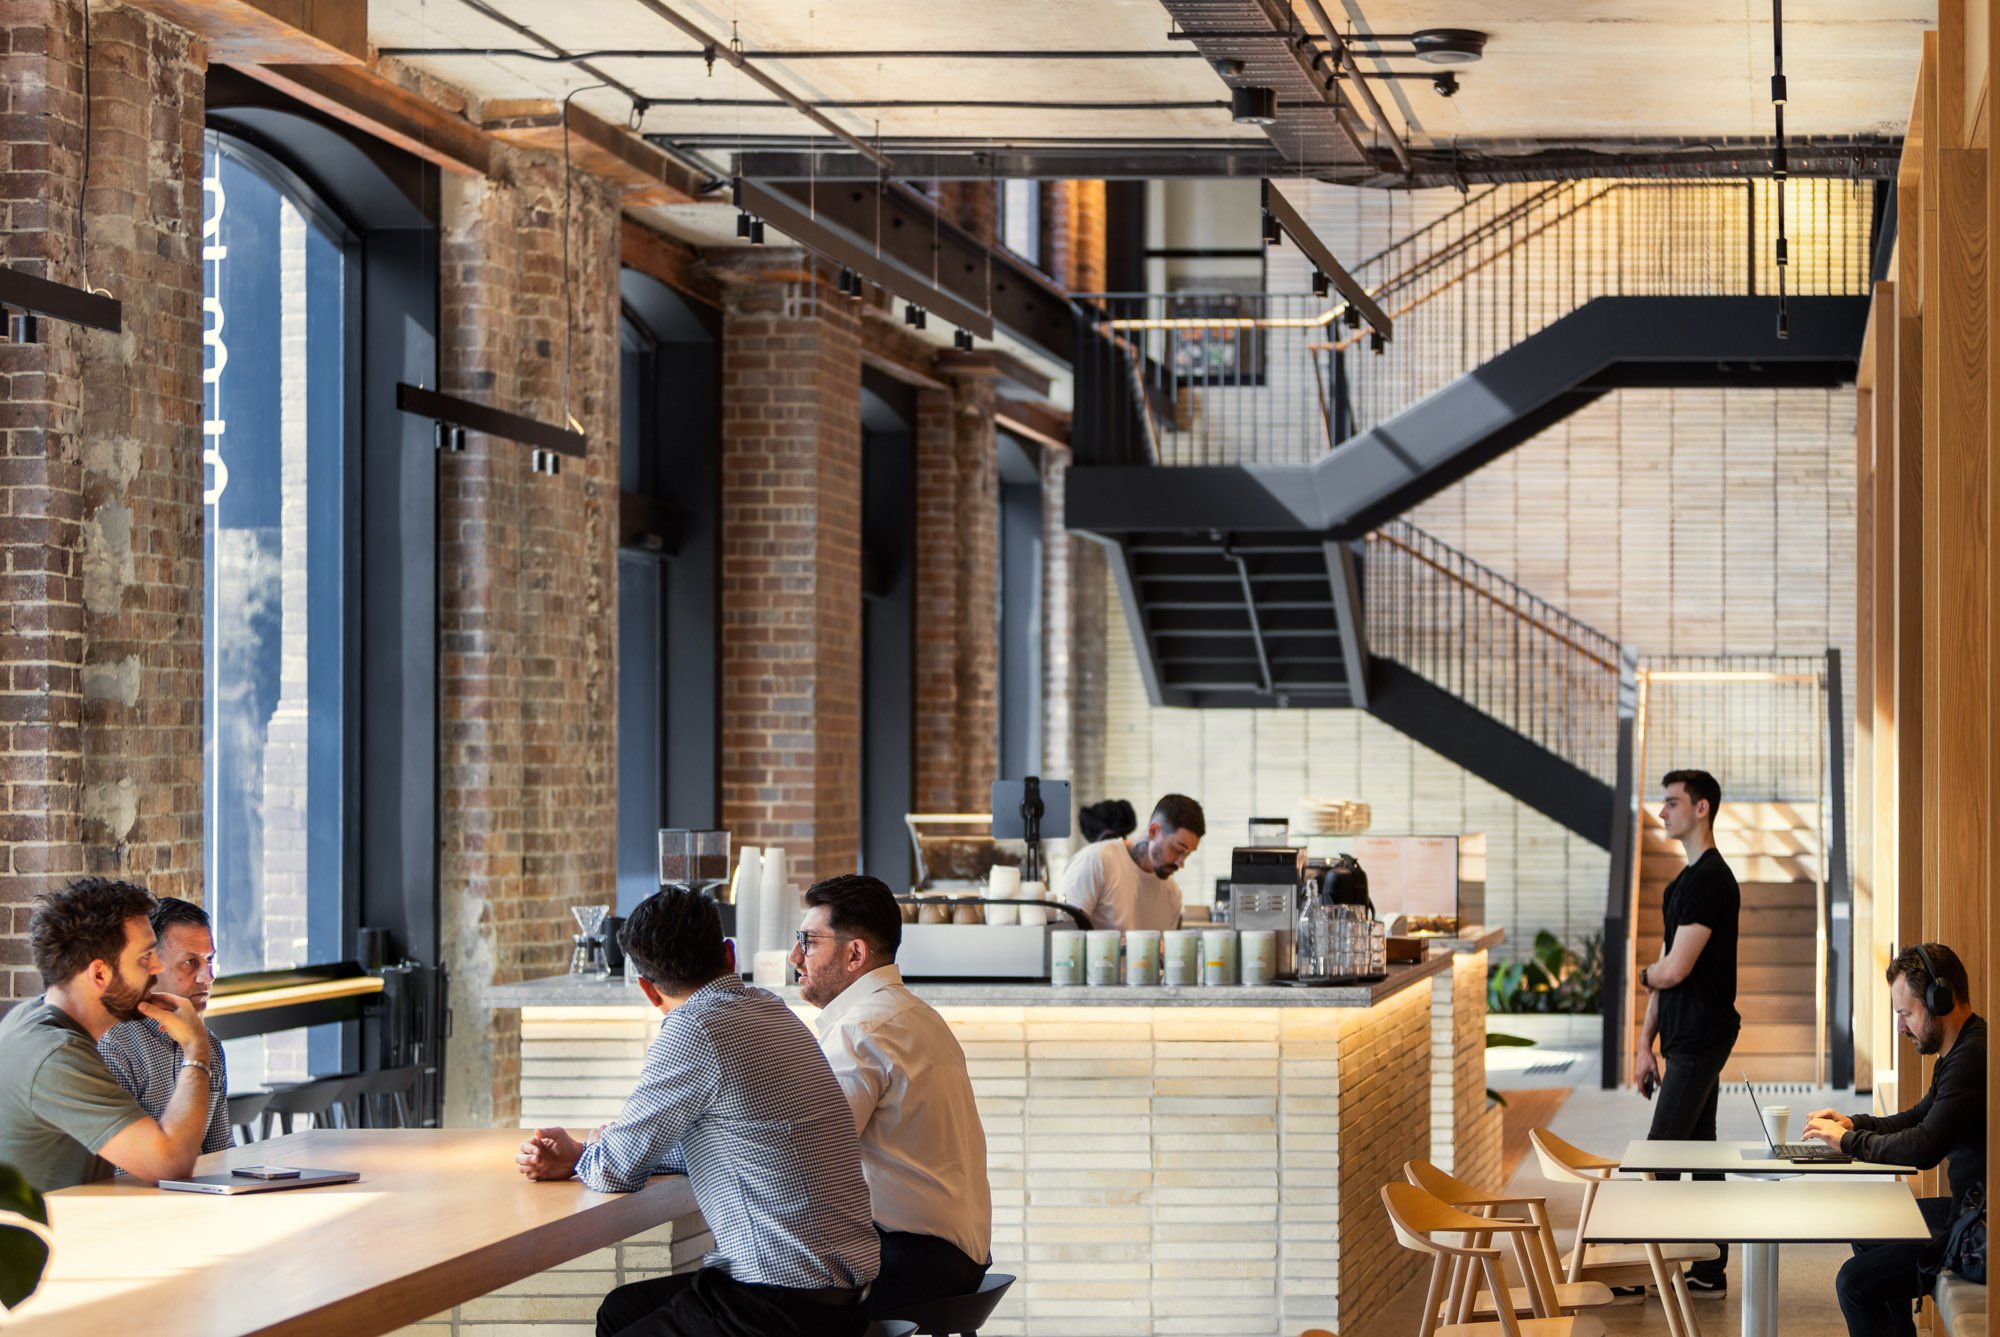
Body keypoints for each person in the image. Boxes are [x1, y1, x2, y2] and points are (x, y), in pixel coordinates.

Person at [515, 887, 878, 1337]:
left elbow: (616, 1169)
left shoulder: (694, 1028)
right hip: (849, 1296)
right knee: (620, 1311)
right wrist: (591, 1150)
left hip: (781, 1305)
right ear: (729, 954)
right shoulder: (772, 1009)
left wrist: (582, 1156)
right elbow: (734, 1141)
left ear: (648, 990)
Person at [789, 874, 992, 1316]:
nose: (794, 956)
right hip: (956, 1257)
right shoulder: (914, 1013)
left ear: (854, 954)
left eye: (808, 942)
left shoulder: (860, 1030)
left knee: (752, 1292)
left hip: (912, 1260)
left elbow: (812, 1157)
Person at [1804, 943, 1985, 1337]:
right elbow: (1919, 1117)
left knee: (1854, 1284)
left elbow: (1924, 1147)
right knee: (1868, 1228)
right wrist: (1853, 1123)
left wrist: (1848, 1142)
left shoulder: (1972, 1057)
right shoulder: (1959, 1049)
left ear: (1940, 1000)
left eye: (1906, 1014)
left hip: (1979, 1230)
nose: (1901, 1028)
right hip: (1969, 1211)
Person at [0, 877, 215, 1190]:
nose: (158, 967)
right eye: (145, 957)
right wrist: (196, 1048)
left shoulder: (31, 1019)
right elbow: (170, 1164)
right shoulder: (55, 1055)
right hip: (51, 1224)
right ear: (100, 974)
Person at [1633, 768, 1738, 1296]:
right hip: (1681, 1036)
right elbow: (1665, 970)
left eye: (1672, 802)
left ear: (1701, 809)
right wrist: (1643, 1045)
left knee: (1660, 1154)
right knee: (1701, 1150)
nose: (1661, 811)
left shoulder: (1711, 881)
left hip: (1702, 1035)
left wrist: (1643, 975)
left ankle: (1637, 1267)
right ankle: (1710, 1268)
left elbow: (1672, 970)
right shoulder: (1681, 884)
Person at [99, 896, 233, 1153]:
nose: (208, 976)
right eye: (190, 962)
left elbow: (221, 1153)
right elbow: (121, 1170)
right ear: (152, 965)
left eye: (209, 960)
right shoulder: (115, 1048)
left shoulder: (209, 1044)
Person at [1057, 793, 1205, 932]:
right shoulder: (1095, 861)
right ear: (1153, 831)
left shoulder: (1172, 894)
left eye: (1187, 854)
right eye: (1178, 850)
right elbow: (1067, 937)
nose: (1181, 863)